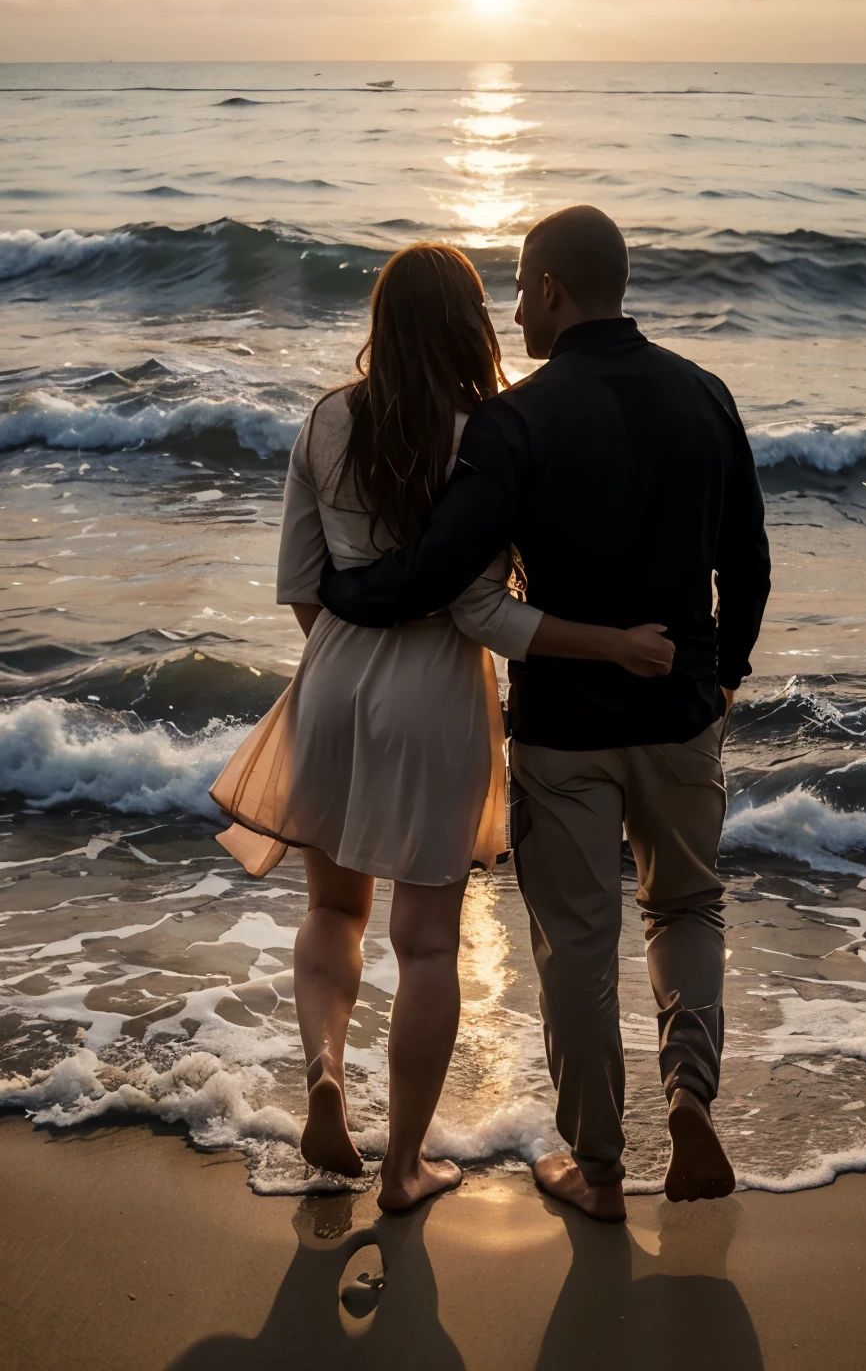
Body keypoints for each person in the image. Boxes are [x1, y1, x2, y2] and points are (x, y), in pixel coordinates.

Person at [318, 207, 772, 1222]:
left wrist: (349, 596)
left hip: (565, 729)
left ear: (554, 289)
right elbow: (746, 560)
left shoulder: (522, 421)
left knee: (575, 943)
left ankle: (599, 1169)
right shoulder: (705, 397)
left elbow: (441, 568)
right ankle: (690, 1094)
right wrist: (725, 671)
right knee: (687, 907)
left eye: (522, 287)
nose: (514, 307)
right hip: (681, 712)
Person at [210, 242, 678, 1213]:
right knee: (425, 945)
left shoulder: (326, 419)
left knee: (332, 912)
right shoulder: (490, 433)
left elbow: (300, 586)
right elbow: (486, 614)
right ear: (468, 323)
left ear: (381, 323)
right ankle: (401, 1168)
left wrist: (346, 662)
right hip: (436, 700)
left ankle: (325, 1074)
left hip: (331, 677)